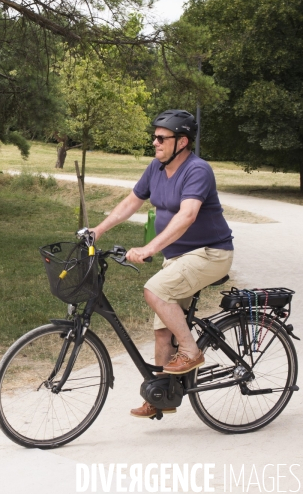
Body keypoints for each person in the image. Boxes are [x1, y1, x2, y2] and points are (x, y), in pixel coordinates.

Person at [90, 109, 234, 419]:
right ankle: (164, 396)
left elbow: (187, 215)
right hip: (179, 258)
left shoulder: (198, 170)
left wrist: (149, 248)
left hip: (210, 253)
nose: (154, 142)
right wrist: (97, 231)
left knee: (154, 291)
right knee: (161, 332)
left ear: (181, 142)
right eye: (153, 136)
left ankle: (191, 352)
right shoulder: (156, 168)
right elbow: (132, 201)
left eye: (160, 138)